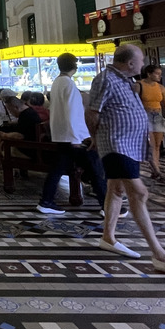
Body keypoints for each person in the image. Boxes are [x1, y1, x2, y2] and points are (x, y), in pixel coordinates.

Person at [87, 44, 165, 273]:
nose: (143, 64)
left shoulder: (127, 81)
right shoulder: (105, 79)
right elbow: (92, 112)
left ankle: (108, 237)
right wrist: (95, 138)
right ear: (130, 63)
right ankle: (159, 254)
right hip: (115, 145)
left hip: (128, 146)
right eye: (141, 60)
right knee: (139, 193)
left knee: (116, 189)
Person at [36, 53, 112, 215]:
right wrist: (77, 137)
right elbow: (72, 112)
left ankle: (46, 201)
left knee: (57, 169)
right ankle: (107, 206)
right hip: (74, 136)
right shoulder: (68, 84)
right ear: (74, 66)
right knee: (95, 168)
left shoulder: (57, 82)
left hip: (63, 134)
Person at [137, 64, 165, 183]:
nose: (159, 76)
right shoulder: (139, 85)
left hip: (158, 115)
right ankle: (156, 170)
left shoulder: (160, 87)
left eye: (160, 74)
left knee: (158, 145)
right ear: (149, 74)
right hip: (145, 116)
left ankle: (156, 168)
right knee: (151, 144)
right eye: (157, 74)